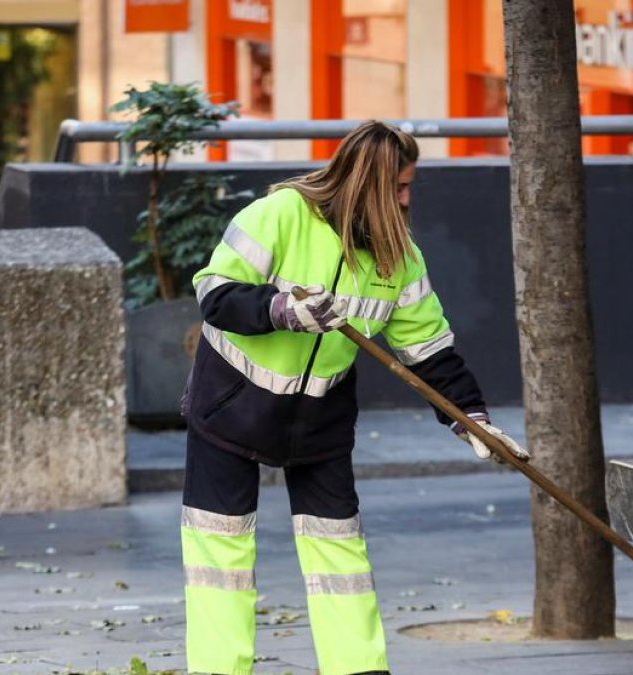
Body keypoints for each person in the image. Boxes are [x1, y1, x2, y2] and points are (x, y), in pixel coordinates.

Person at [179, 120, 529, 675]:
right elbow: (216, 295)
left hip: (319, 422)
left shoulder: (400, 258)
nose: (409, 200)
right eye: (400, 187)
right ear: (368, 183)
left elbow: (429, 354)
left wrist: (472, 420)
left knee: (339, 551)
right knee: (219, 554)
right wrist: (281, 310)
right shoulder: (279, 215)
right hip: (230, 408)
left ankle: (359, 669)